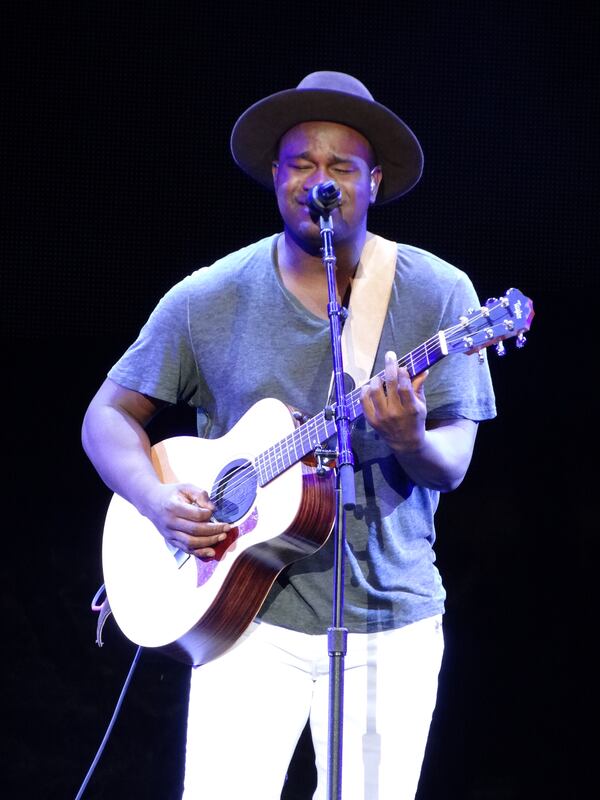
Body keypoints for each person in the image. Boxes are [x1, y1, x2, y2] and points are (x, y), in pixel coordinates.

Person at [82, 71, 496, 800]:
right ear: (275, 176)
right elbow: (105, 418)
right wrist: (153, 498)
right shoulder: (209, 296)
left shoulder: (439, 294)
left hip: (387, 623)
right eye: (302, 162)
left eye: (342, 166)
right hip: (243, 618)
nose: (320, 181)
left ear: (374, 182)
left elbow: (453, 461)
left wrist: (408, 439)